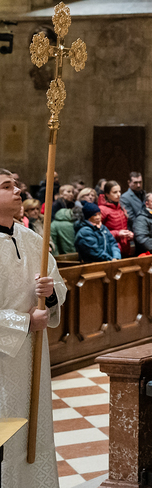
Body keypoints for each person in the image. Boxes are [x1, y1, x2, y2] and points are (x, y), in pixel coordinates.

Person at [0, 168, 67, 488]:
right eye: (6, 186)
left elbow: (59, 287)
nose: (17, 191)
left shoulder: (32, 239)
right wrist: (25, 322)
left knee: (34, 431)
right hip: (3, 360)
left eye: (16, 185)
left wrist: (50, 293)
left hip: (32, 355)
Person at [99, 181, 133, 257]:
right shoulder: (102, 210)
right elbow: (99, 232)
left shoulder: (121, 207)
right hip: (111, 248)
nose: (119, 194)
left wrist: (129, 234)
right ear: (107, 194)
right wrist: (117, 233)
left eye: (119, 191)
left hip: (125, 247)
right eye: (115, 192)